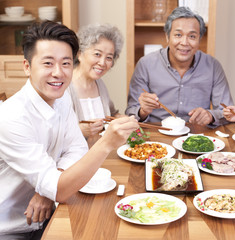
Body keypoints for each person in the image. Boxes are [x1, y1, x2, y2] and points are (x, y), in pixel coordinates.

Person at [0, 21, 139, 239]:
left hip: (49, 213)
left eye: (65, 63)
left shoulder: (61, 97)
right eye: (48, 63)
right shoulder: (11, 117)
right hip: (11, 226)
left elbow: (76, 148)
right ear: (27, 66)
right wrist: (106, 143)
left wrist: (48, 189)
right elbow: (60, 189)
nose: (58, 73)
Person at [125, 6, 233, 127]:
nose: (184, 42)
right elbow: (131, 112)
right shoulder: (146, 64)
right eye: (178, 35)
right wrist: (143, 111)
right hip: (156, 135)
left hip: (196, 135)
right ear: (167, 37)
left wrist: (210, 116)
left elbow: (228, 112)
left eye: (192, 36)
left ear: (199, 39)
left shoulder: (213, 66)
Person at [67, 23, 124, 139]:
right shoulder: (63, 87)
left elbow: (112, 115)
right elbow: (50, 131)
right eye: (97, 54)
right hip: (75, 156)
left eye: (109, 57)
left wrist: (123, 119)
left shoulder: (99, 84)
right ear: (80, 54)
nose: (102, 63)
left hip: (102, 152)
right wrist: (79, 130)